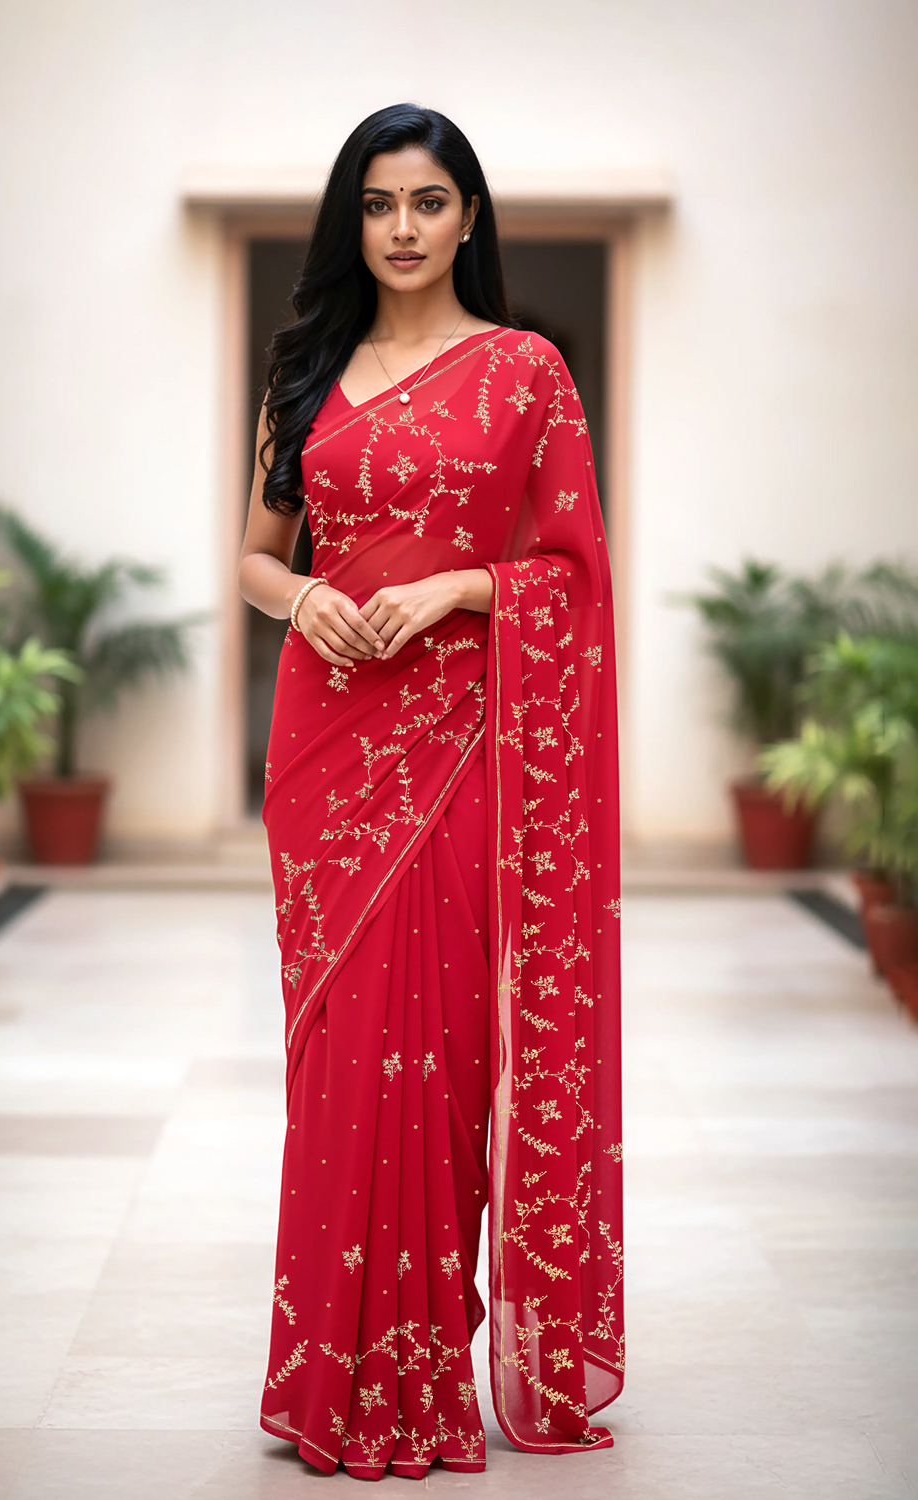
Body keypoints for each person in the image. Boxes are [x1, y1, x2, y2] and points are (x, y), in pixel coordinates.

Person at [238, 102, 623, 1481]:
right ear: (354, 220)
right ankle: (325, 1365)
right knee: (342, 1055)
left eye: (429, 202)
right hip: (328, 747)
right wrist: (302, 607)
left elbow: (575, 577)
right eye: (379, 204)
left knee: (446, 1057)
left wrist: (465, 584)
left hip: (465, 736)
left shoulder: (527, 373)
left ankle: (415, 1368)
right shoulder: (310, 372)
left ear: (470, 216)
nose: (403, 228)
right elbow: (257, 555)